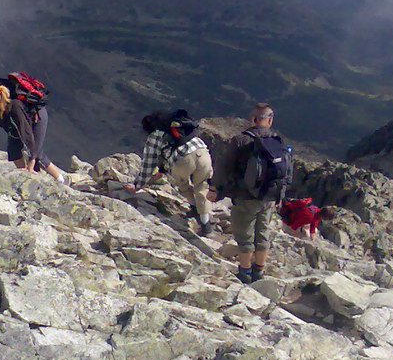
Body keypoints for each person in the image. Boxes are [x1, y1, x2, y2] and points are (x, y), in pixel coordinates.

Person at [211, 103, 292, 283]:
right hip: (270, 197)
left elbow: (224, 167)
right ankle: (259, 271)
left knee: (244, 235)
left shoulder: (241, 140)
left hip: (245, 196)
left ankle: (245, 273)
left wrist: (215, 189)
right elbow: (285, 172)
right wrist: (280, 196)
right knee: (263, 233)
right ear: (270, 120)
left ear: (252, 119)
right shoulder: (278, 140)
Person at [124, 110, 214, 235]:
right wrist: (162, 170)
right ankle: (205, 224)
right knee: (202, 188)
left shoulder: (155, 136)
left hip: (184, 159)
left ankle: (193, 207)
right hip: (203, 152)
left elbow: (148, 163)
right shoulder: (178, 127)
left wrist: (137, 185)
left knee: (183, 184)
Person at [0, 85, 67, 182]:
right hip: (17, 126)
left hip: (36, 118)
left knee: (38, 154)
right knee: (14, 152)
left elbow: (26, 134)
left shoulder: (14, 110)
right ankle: (27, 177)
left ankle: (61, 180)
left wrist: (31, 160)